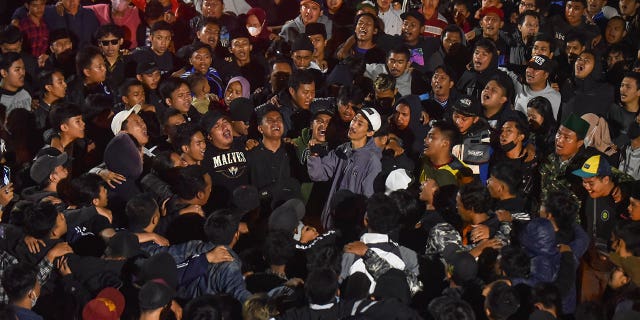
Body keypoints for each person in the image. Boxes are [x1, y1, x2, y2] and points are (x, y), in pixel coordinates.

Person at [308, 108, 383, 229]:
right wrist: (314, 156)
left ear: (370, 133)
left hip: (350, 227)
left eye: (360, 124)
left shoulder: (372, 162)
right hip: (330, 221)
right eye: (354, 120)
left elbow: (368, 198)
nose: (353, 125)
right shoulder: (342, 149)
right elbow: (318, 174)